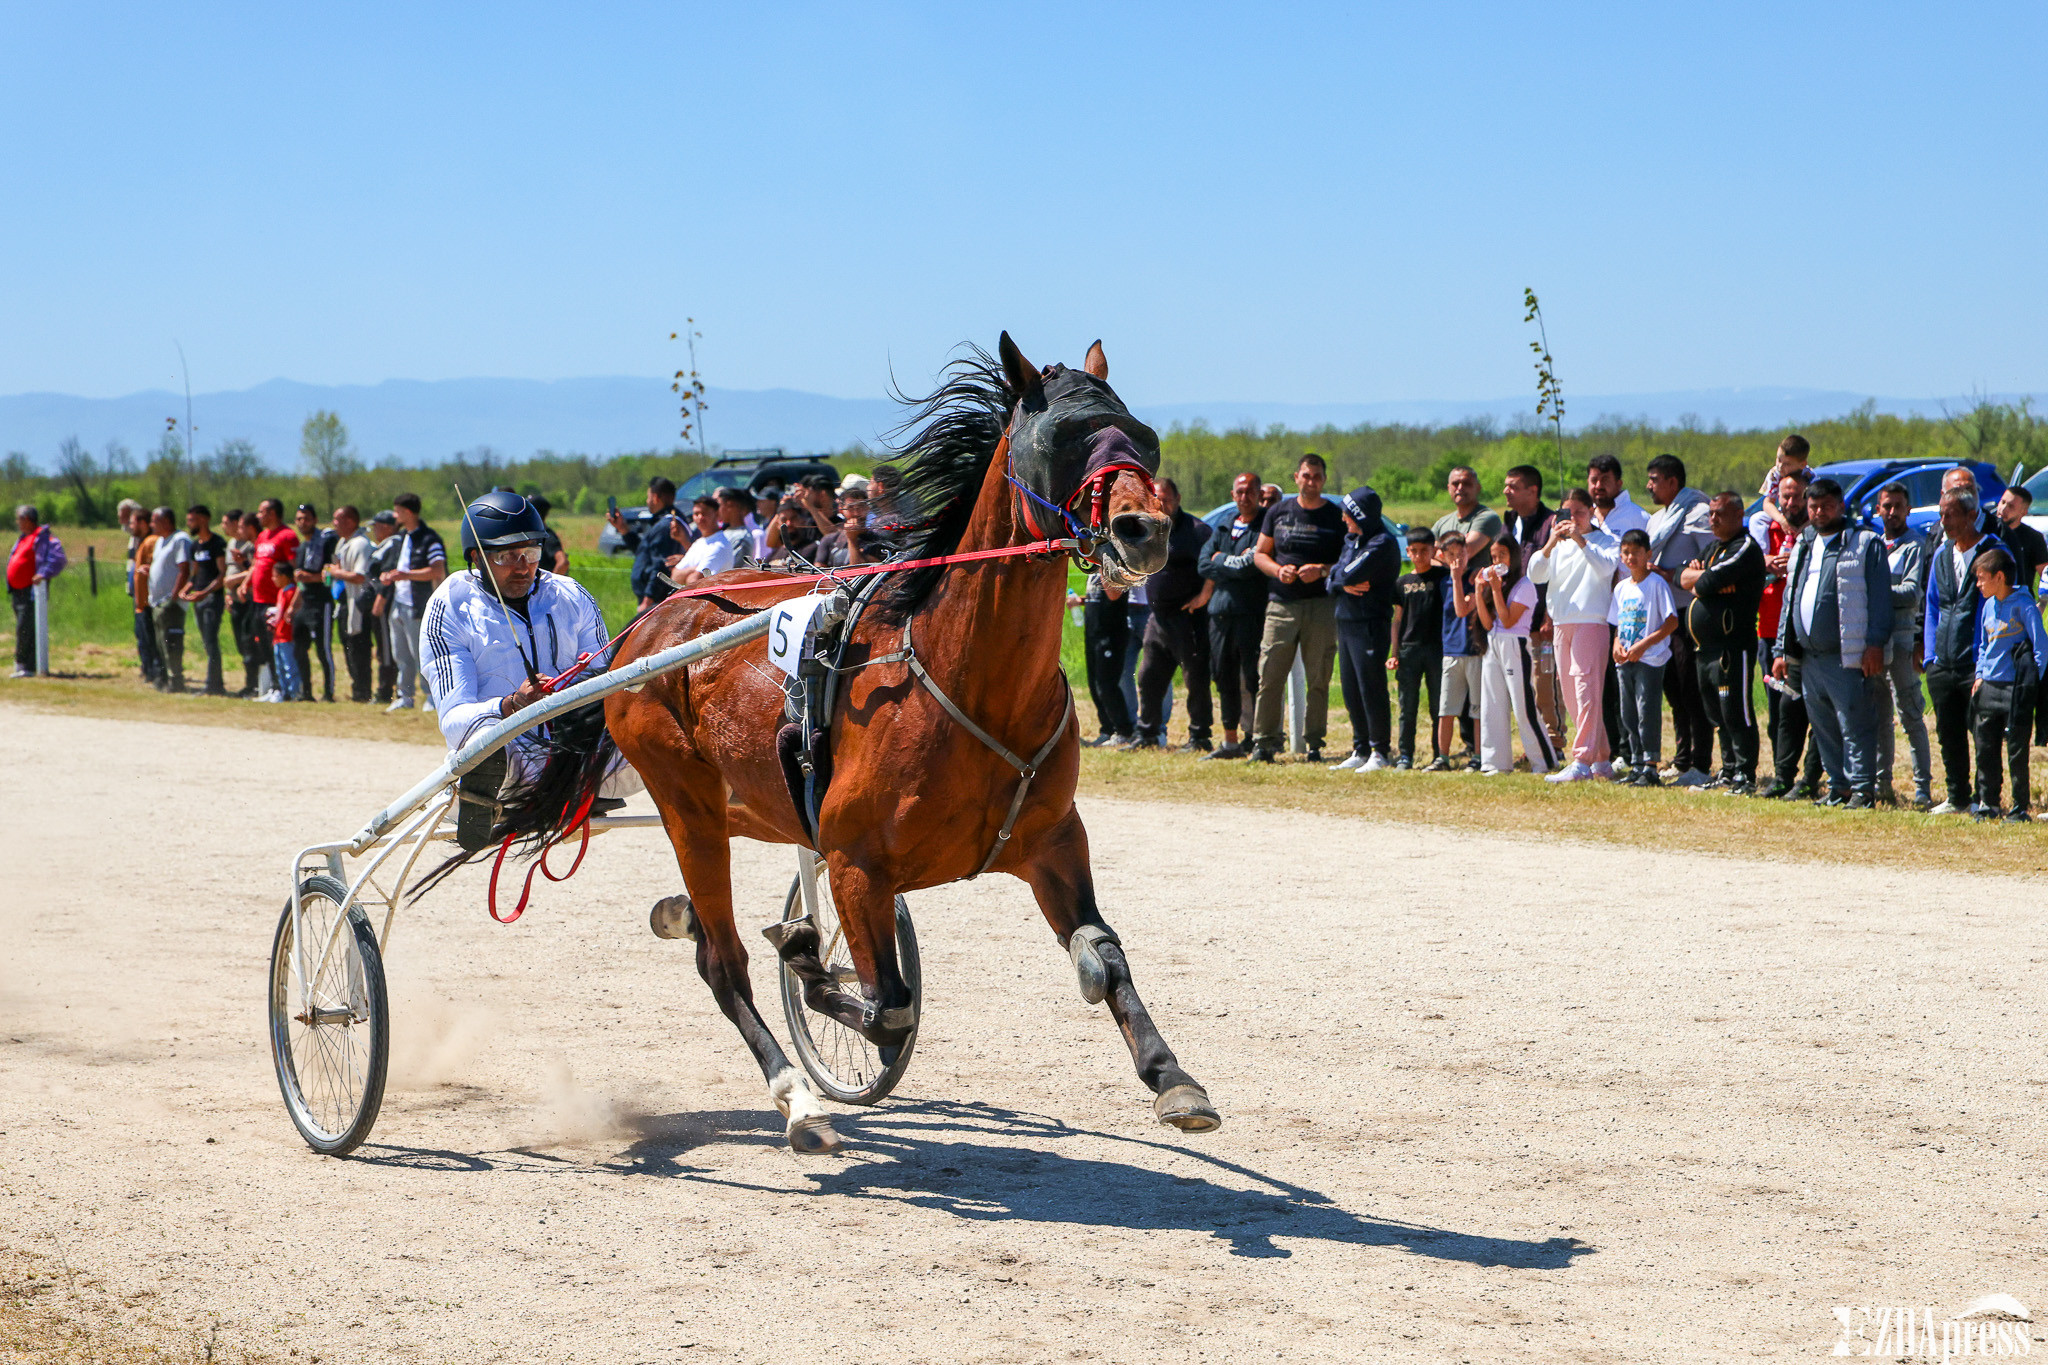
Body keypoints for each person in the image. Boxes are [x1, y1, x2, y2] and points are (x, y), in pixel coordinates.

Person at [421, 491, 640, 848]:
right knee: (482, 742)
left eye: (531, 553)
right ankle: (483, 799)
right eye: (506, 556)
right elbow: (454, 719)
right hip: (506, 757)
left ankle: (576, 789)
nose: (523, 567)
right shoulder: (450, 607)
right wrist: (511, 704)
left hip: (579, 758)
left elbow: (607, 687)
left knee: (653, 729)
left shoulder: (571, 596)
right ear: (476, 556)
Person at [1772, 477, 1892, 809]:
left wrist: (1874, 644)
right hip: (1809, 657)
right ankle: (1839, 787)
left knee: (1855, 723)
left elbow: (1880, 599)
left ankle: (1863, 789)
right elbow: (1790, 599)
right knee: (1823, 725)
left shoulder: (1865, 543)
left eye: (1827, 506)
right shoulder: (1804, 543)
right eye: (1813, 506)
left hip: (1848, 654)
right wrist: (1782, 649)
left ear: (1841, 506)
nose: (1819, 512)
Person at [1249, 453, 1345, 762]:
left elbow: (1347, 561)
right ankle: (1264, 742)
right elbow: (1260, 554)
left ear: (1324, 480)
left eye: (1317, 477)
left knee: (1318, 677)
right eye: (1306, 476)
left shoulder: (1335, 516)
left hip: (1321, 605)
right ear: (1296, 477)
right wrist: (1279, 570)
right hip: (1282, 604)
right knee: (1270, 675)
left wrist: (1323, 570)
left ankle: (1314, 744)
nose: (1311, 482)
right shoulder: (1278, 512)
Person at [1921, 487, 2006, 814]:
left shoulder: (1994, 553)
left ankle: (1988, 800)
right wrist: (1931, 657)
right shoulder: (1942, 554)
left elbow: (2003, 606)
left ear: (1972, 516)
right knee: (1949, 732)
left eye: (1951, 514)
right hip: (1943, 661)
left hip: (1978, 663)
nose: (1944, 521)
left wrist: (1987, 661)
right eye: (1941, 514)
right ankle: (1957, 797)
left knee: (1984, 734)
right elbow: (1932, 607)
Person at [1529, 488, 1620, 781]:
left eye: (1580, 512)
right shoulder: (1557, 544)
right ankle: (1601, 759)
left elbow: (1606, 568)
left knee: (1586, 690)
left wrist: (1580, 539)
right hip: (1561, 623)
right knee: (1571, 694)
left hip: (1591, 622)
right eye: (1568, 513)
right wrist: (1551, 542)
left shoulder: (1606, 540)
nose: (1574, 518)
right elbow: (1535, 574)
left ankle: (1582, 760)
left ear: (1591, 511)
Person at [1680, 492, 1767, 794]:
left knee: (1735, 712)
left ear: (1739, 515)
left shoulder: (1744, 548)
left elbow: (1702, 583)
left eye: (1719, 513)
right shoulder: (1714, 548)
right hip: (1706, 648)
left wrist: (1702, 579)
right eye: (1711, 513)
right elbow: (1682, 577)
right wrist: (1704, 578)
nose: (1713, 519)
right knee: (1716, 714)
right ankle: (1728, 770)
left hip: (1732, 646)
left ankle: (1745, 773)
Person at [1644, 455, 1717, 787]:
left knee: (1693, 690)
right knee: (1673, 690)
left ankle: (1701, 763)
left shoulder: (1697, 513)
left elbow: (1712, 559)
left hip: (1690, 614)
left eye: (1654, 479)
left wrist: (1673, 574)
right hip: (1663, 615)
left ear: (1673, 482)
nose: (1649, 485)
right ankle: (1682, 759)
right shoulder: (1658, 518)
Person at [1131, 477, 1217, 752]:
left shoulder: (1198, 531)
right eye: (1156, 499)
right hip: (1157, 619)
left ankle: (1200, 737)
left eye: (1166, 499)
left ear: (1178, 499)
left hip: (1189, 619)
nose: (1161, 504)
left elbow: (1214, 565)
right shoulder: (1146, 529)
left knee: (1196, 680)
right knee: (1148, 677)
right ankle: (1147, 734)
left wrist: (1204, 595)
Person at [1756, 469, 1821, 800]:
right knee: (1784, 711)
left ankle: (1811, 778)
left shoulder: (1819, 535)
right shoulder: (1766, 528)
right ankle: (1783, 775)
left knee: (1819, 713)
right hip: (1777, 636)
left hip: (1817, 640)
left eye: (1797, 496)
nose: (1791, 502)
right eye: (1786, 496)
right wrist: (1766, 562)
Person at [1968, 548, 2046, 822]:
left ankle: (2020, 807)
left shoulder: (2024, 605)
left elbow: (2041, 647)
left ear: (1999, 577)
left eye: (1982, 578)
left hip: (2015, 689)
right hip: (1989, 686)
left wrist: (2032, 683)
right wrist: (1979, 675)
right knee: (1985, 747)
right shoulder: (1988, 606)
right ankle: (1988, 802)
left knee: (2016, 750)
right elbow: (1983, 646)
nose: (1978, 584)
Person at [1327, 485, 1400, 769]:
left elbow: (1347, 574)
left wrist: (1338, 579)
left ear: (1361, 514)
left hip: (1369, 623)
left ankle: (1379, 751)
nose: (1343, 519)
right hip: (1345, 621)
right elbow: (1334, 577)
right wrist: (1339, 582)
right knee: (1351, 689)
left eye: (1348, 513)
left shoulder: (1381, 543)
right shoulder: (1351, 540)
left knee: (1371, 687)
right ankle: (1360, 748)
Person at [1471, 533, 1555, 776]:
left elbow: (1508, 621)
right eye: (1493, 556)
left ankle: (1544, 762)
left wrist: (1496, 590)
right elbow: (1488, 624)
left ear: (1514, 556)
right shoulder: (1497, 585)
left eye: (1503, 555)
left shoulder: (1524, 585)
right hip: (1493, 643)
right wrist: (1479, 591)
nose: (1497, 561)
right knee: (1492, 704)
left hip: (1515, 644)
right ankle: (1495, 763)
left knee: (1523, 706)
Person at [1198, 471, 1268, 760]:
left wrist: (1221, 560)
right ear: (1232, 495)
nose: (1244, 497)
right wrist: (1233, 563)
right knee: (1223, 676)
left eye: (1250, 491)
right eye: (1239, 492)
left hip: (1251, 614)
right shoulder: (1225, 525)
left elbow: (1249, 568)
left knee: (1252, 677)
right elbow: (1203, 564)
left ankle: (1256, 737)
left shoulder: (1265, 526)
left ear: (1259, 494)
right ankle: (1230, 741)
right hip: (1220, 615)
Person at [1872, 484, 1932, 808]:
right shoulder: (1873, 544)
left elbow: (1911, 592)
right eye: (1887, 506)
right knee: (1879, 715)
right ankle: (1881, 784)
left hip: (1902, 641)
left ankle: (1922, 788)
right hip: (1874, 642)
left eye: (1898, 506)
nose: (1892, 512)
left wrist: (1874, 591)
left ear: (1908, 510)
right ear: (1878, 510)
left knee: (1909, 714)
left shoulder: (1914, 546)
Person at [1502, 464, 1566, 755]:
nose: (1506, 491)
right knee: (1520, 686)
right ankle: (1533, 746)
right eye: (1506, 485)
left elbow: (1558, 574)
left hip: (1542, 623)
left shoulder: (1551, 524)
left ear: (1533, 491)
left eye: (1513, 487)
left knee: (1545, 683)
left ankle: (1554, 743)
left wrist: (1550, 616)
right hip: (1513, 622)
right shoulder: (1509, 522)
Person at [1608, 529, 1679, 786]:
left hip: (1650, 659)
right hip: (1626, 660)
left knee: (1646, 710)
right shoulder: (1621, 588)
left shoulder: (1656, 584)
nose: (1630, 557)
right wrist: (1617, 644)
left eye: (1636, 552)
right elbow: (1617, 623)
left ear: (1648, 554)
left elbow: (1671, 622)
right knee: (1628, 713)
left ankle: (1650, 766)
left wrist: (1643, 645)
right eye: (1625, 552)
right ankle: (1637, 763)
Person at [1388, 527, 1446, 769]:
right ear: (1408, 552)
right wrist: (1394, 653)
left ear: (1433, 550)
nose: (1419, 556)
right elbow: (1397, 620)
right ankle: (1405, 755)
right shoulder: (1402, 582)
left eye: (1425, 550)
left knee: (1438, 706)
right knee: (1407, 706)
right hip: (1409, 649)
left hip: (1436, 648)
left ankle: (1439, 753)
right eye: (1414, 551)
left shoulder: (1442, 577)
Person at [381, 492, 446, 712]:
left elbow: (437, 570)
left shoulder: (429, 538)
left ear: (408, 512)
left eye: (397, 511)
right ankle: (405, 696)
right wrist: (388, 575)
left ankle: (432, 696)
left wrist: (406, 575)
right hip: (398, 603)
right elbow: (396, 566)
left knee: (422, 654)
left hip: (418, 605)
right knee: (401, 654)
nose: (395, 515)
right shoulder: (401, 538)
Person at [1431, 531, 1487, 771]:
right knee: (1446, 709)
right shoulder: (1442, 582)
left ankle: (1479, 755)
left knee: (1477, 709)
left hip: (1474, 650)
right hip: (1451, 651)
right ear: (1443, 556)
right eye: (1451, 554)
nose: (1457, 559)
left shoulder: (1476, 579)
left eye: (1461, 553)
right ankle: (1442, 757)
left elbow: (1463, 609)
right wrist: (1452, 579)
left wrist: (1456, 580)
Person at [324, 506, 376, 703]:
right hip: (344, 603)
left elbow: (360, 576)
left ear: (350, 521)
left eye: (337, 519)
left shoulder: (361, 544)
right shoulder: (343, 543)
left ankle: (363, 691)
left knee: (359, 648)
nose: (334, 523)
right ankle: (356, 689)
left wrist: (336, 573)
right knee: (348, 646)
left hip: (359, 604)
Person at [8, 506, 65, 677]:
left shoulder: (43, 537)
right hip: (18, 592)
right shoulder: (23, 538)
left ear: (27, 519)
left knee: (25, 628)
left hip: (31, 592)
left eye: (19, 519)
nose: (17, 522)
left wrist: (43, 573)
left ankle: (26, 665)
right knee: (24, 627)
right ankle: (25, 664)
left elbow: (58, 558)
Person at [289, 503, 336, 702]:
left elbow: (330, 575)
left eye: (307, 518)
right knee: (299, 649)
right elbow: (300, 580)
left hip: (321, 602)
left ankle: (328, 693)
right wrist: (293, 605)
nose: (303, 523)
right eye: (299, 519)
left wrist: (310, 577)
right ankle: (306, 692)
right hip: (304, 603)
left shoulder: (325, 543)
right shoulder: (302, 547)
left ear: (315, 520)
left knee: (323, 650)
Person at [179, 505, 228, 695]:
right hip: (198, 600)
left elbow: (222, 574)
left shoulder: (217, 543)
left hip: (212, 599)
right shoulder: (195, 545)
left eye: (191, 520)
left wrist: (205, 593)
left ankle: (214, 685)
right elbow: (195, 574)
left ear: (203, 519)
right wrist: (187, 588)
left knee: (211, 639)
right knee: (206, 641)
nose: (189, 524)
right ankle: (213, 683)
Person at [610, 476, 679, 612]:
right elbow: (644, 552)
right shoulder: (662, 523)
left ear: (655, 498)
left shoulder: (665, 526)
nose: (647, 501)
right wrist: (623, 529)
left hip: (658, 601)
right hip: (655, 599)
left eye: (648, 497)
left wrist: (648, 599)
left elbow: (660, 564)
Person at [1081, 571, 1133, 745]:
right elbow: (1097, 597)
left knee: (1107, 684)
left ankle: (1124, 731)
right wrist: (1080, 601)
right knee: (1094, 685)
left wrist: (1104, 568)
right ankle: (1108, 729)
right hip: (1093, 632)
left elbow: (1114, 594)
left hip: (1111, 633)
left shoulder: (1114, 568)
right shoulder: (1093, 569)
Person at [143, 507, 192, 693]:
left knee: (172, 643)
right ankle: (165, 679)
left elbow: (184, 569)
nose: (151, 525)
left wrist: (174, 596)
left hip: (170, 603)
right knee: (160, 644)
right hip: (157, 602)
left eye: (154, 521)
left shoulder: (180, 539)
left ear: (165, 521)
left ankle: (176, 681)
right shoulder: (160, 541)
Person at [1748, 433, 1813, 550]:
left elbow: (1817, 504)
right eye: (1778, 460)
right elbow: (1768, 503)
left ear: (1802, 464)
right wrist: (1782, 521)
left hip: (1805, 514)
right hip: (1782, 513)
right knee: (1757, 519)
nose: (1780, 466)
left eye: (1787, 464)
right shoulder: (1775, 474)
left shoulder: (1810, 476)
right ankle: (1762, 553)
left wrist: (1805, 526)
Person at [366, 510, 402, 704]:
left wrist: (381, 598)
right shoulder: (384, 545)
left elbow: (388, 574)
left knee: (386, 648)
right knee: (382, 647)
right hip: (377, 601)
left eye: (377, 526)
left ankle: (385, 690)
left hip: (385, 603)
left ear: (388, 527)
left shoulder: (393, 543)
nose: (374, 530)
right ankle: (385, 688)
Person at [1430, 465, 1506, 546]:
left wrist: (1437, 549)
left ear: (1478, 488)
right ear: (1449, 488)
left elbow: (1463, 551)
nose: (1460, 488)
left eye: (1466, 484)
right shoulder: (1442, 523)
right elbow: (1425, 551)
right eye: (1455, 484)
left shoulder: (1488, 518)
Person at [1994, 486, 2046, 592]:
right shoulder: (1985, 531)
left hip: (2018, 597)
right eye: (2002, 502)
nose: (2003, 509)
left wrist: (2042, 600)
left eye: (2011, 506)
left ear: (2023, 513)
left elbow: (2045, 575)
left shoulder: (2034, 538)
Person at [1585, 455, 1650, 537]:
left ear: (1618, 484)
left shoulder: (1639, 518)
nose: (1598, 486)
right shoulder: (1581, 516)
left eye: (1605, 480)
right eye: (1594, 480)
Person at [264, 559, 301, 704]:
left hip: (287, 636)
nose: (273, 579)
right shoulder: (281, 592)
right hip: (278, 636)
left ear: (284, 577)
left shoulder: (291, 592)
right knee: (280, 667)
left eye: (275, 576)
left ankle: (294, 692)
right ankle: (284, 693)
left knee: (289, 666)